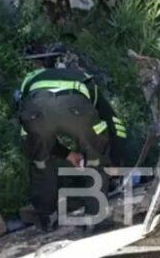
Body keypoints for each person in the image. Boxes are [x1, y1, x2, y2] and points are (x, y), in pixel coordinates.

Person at [17, 66, 127, 230]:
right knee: (95, 159)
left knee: (41, 161)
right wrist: (116, 160)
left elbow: (31, 131)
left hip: (35, 109)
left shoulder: (29, 81)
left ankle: (46, 219)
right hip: (75, 106)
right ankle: (94, 219)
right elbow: (113, 123)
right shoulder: (84, 79)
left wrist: (67, 154)